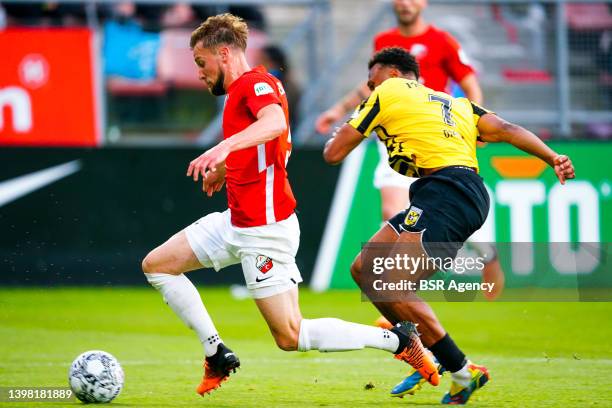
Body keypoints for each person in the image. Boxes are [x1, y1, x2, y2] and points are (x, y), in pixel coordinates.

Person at [141, 14, 439, 397]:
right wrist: (228, 168)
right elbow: (266, 149)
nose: (199, 73)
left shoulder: (256, 84)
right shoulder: (248, 90)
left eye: (202, 63)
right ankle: (215, 353)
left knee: (291, 335)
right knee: (158, 265)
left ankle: (399, 343)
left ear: (225, 53)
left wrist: (221, 147)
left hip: (264, 231)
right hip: (238, 220)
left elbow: (276, 123)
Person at [323, 47, 575, 404]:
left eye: (372, 79)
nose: (368, 87)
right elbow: (506, 128)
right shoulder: (454, 103)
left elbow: (333, 154)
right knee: (365, 269)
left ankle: (459, 368)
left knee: (390, 280)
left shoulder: (387, 92)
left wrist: (344, 129)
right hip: (448, 193)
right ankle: (422, 351)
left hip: (448, 193)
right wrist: (552, 157)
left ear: (393, 75)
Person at [316, 0, 503, 300]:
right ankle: (394, 293)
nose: (405, 3)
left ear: (423, 3)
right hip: (394, 140)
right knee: (392, 210)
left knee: (454, 221)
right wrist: (338, 110)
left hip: (434, 142)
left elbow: (469, 84)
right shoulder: (384, 42)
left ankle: (486, 254)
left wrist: (476, 124)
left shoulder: (442, 41)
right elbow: (371, 88)